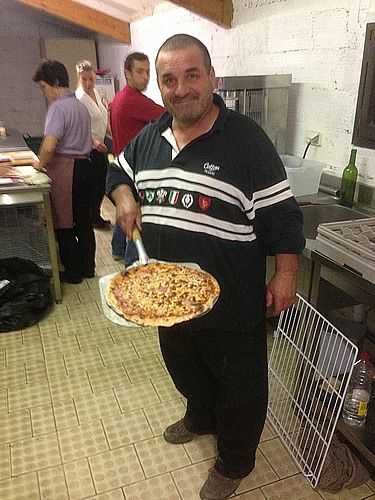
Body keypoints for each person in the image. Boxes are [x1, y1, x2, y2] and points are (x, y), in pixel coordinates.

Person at [107, 34, 305, 500]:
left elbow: (282, 215)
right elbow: (117, 171)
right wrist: (123, 196)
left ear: (212, 78)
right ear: (159, 86)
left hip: (232, 300)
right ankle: (199, 416)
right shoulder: (150, 136)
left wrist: (286, 271)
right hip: (165, 295)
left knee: (240, 385)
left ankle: (234, 462)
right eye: (169, 80)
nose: (181, 89)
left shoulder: (246, 141)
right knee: (183, 365)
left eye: (191, 75)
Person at [32, 59, 96, 284]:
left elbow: (50, 146)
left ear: (56, 82)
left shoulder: (58, 107)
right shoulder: (81, 105)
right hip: (86, 167)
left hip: (67, 171)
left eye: (44, 87)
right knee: (84, 222)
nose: (44, 93)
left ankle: (73, 273)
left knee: (64, 223)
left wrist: (39, 165)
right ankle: (88, 269)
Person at [109, 52, 164, 264]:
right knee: (138, 218)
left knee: (124, 208)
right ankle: (134, 263)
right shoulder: (135, 101)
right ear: (127, 74)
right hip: (136, 168)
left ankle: (117, 247)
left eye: (148, 72)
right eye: (140, 71)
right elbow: (172, 116)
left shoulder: (118, 98)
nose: (146, 77)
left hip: (121, 165)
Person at [75, 59, 111, 229]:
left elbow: (102, 120)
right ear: (78, 79)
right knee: (96, 183)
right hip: (89, 149)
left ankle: (94, 214)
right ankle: (93, 216)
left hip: (101, 145)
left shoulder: (96, 93)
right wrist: (94, 141)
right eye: (84, 79)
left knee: (102, 182)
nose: (88, 83)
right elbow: (78, 129)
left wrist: (112, 134)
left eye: (91, 78)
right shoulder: (79, 99)